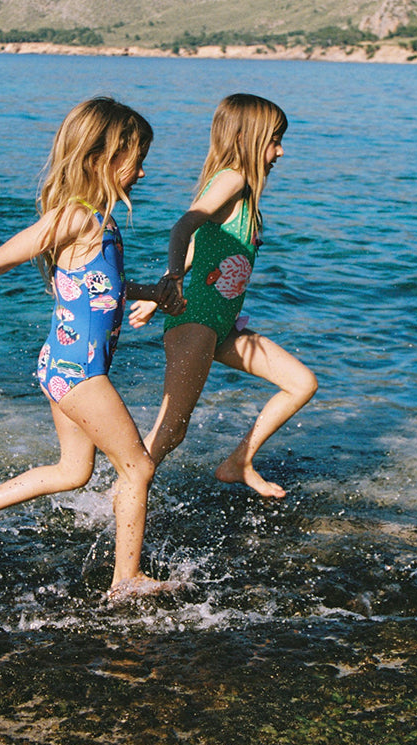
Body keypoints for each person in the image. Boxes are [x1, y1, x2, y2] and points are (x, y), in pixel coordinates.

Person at [0, 97, 182, 594]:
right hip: (79, 371)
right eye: (137, 160)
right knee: (138, 466)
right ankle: (126, 580)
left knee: (72, 471)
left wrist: (153, 293)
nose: (143, 173)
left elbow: (99, 286)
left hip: (62, 363)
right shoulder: (77, 217)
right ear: (98, 160)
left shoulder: (97, 221)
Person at [129, 93, 317, 499]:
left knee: (301, 383)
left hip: (222, 325)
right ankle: (120, 497)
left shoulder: (245, 193)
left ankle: (239, 462)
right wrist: (174, 283)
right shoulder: (233, 179)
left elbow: (200, 241)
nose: (280, 151)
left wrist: (159, 288)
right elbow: (183, 227)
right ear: (248, 138)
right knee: (170, 431)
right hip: (195, 321)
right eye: (275, 140)